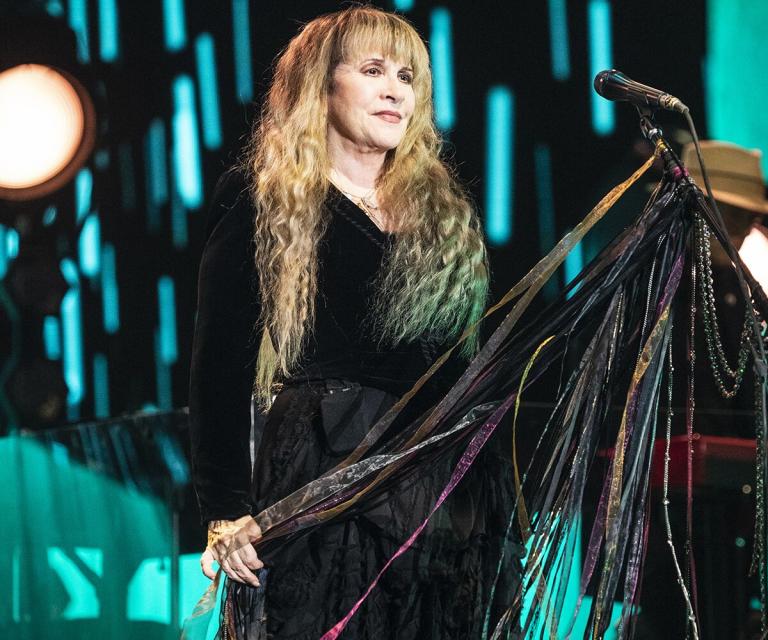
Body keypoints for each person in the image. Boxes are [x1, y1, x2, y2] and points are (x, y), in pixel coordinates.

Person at [188, 7, 520, 639]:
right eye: (372, 70)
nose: (395, 90)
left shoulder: (444, 217)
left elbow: (463, 370)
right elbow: (216, 367)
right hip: (324, 467)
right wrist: (225, 510)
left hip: (432, 479)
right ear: (322, 83)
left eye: (407, 75)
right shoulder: (265, 199)